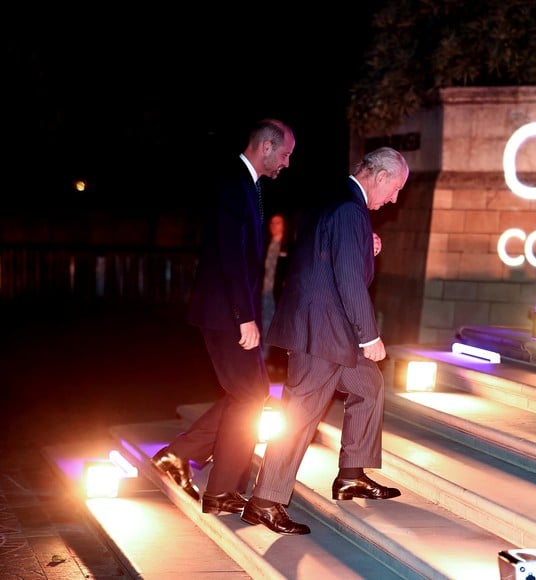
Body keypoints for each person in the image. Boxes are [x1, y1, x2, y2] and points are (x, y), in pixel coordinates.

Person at [240, 146, 409, 535]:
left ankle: (351, 474)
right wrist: (370, 336)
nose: (395, 198)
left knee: (368, 384)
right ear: (379, 177)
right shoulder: (351, 209)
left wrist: (366, 244)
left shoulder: (335, 199)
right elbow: (348, 279)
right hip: (323, 332)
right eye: (395, 188)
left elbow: (324, 255)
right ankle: (265, 502)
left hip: (322, 327)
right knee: (300, 416)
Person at [151, 118, 296, 516]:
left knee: (249, 394)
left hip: (225, 310)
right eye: (284, 154)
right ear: (265, 147)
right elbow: (232, 256)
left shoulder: (247, 184)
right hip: (224, 313)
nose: (286, 163)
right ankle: (214, 487)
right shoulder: (234, 182)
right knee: (251, 396)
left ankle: (184, 460)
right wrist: (244, 317)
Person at [261, 211, 291, 379]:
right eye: (272, 223)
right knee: (264, 326)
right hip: (264, 293)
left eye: (278, 223)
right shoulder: (266, 245)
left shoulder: (288, 247)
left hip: (278, 296)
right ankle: (264, 362)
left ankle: (278, 364)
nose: (274, 226)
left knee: (276, 329)